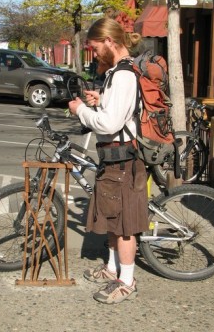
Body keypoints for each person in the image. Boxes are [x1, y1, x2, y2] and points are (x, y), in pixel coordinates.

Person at [68, 18, 149, 304]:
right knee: (114, 219)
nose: (93, 53)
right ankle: (113, 268)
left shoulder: (124, 74)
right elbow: (119, 109)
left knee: (124, 226)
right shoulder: (118, 73)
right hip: (114, 159)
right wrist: (100, 99)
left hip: (124, 161)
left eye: (94, 47)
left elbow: (110, 123)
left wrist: (81, 110)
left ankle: (127, 281)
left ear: (109, 42)